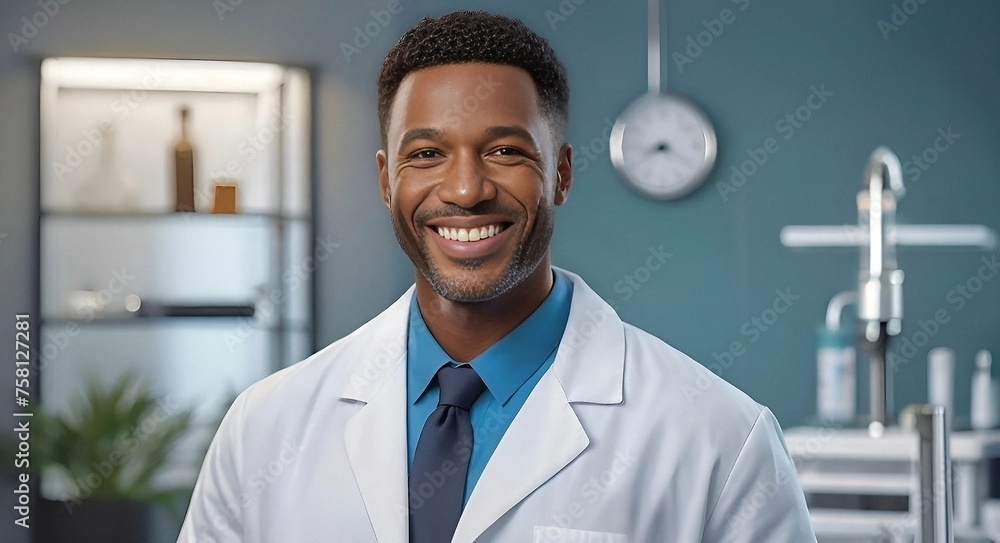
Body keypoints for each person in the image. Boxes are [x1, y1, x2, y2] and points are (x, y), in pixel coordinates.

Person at [178, 10, 816, 543]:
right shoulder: (264, 429)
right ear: (384, 180)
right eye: (427, 154)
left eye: (505, 151)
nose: (465, 189)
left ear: (561, 173)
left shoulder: (720, 442)